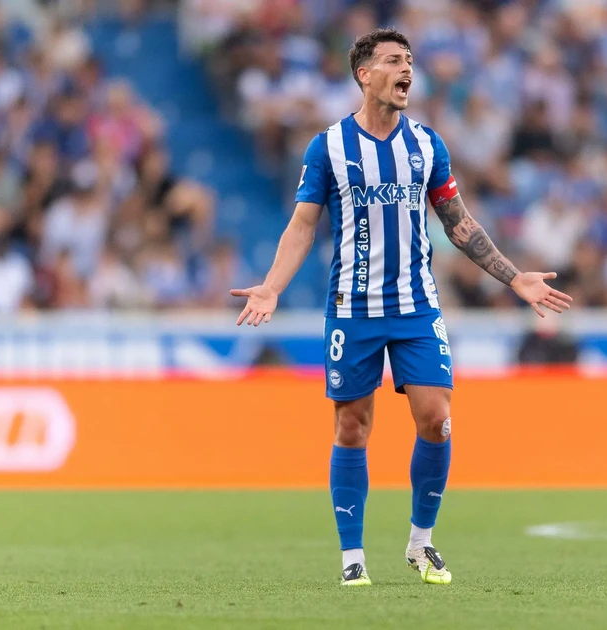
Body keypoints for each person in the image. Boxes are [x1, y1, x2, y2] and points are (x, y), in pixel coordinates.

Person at [231, 29, 573, 587]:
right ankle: (352, 557)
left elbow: (459, 223)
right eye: (393, 60)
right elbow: (302, 225)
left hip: (416, 306)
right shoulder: (329, 147)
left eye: (409, 61)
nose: (405, 69)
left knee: (437, 420)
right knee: (351, 426)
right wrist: (271, 286)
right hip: (353, 307)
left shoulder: (428, 145)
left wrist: (515, 279)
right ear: (364, 74)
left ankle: (421, 543)